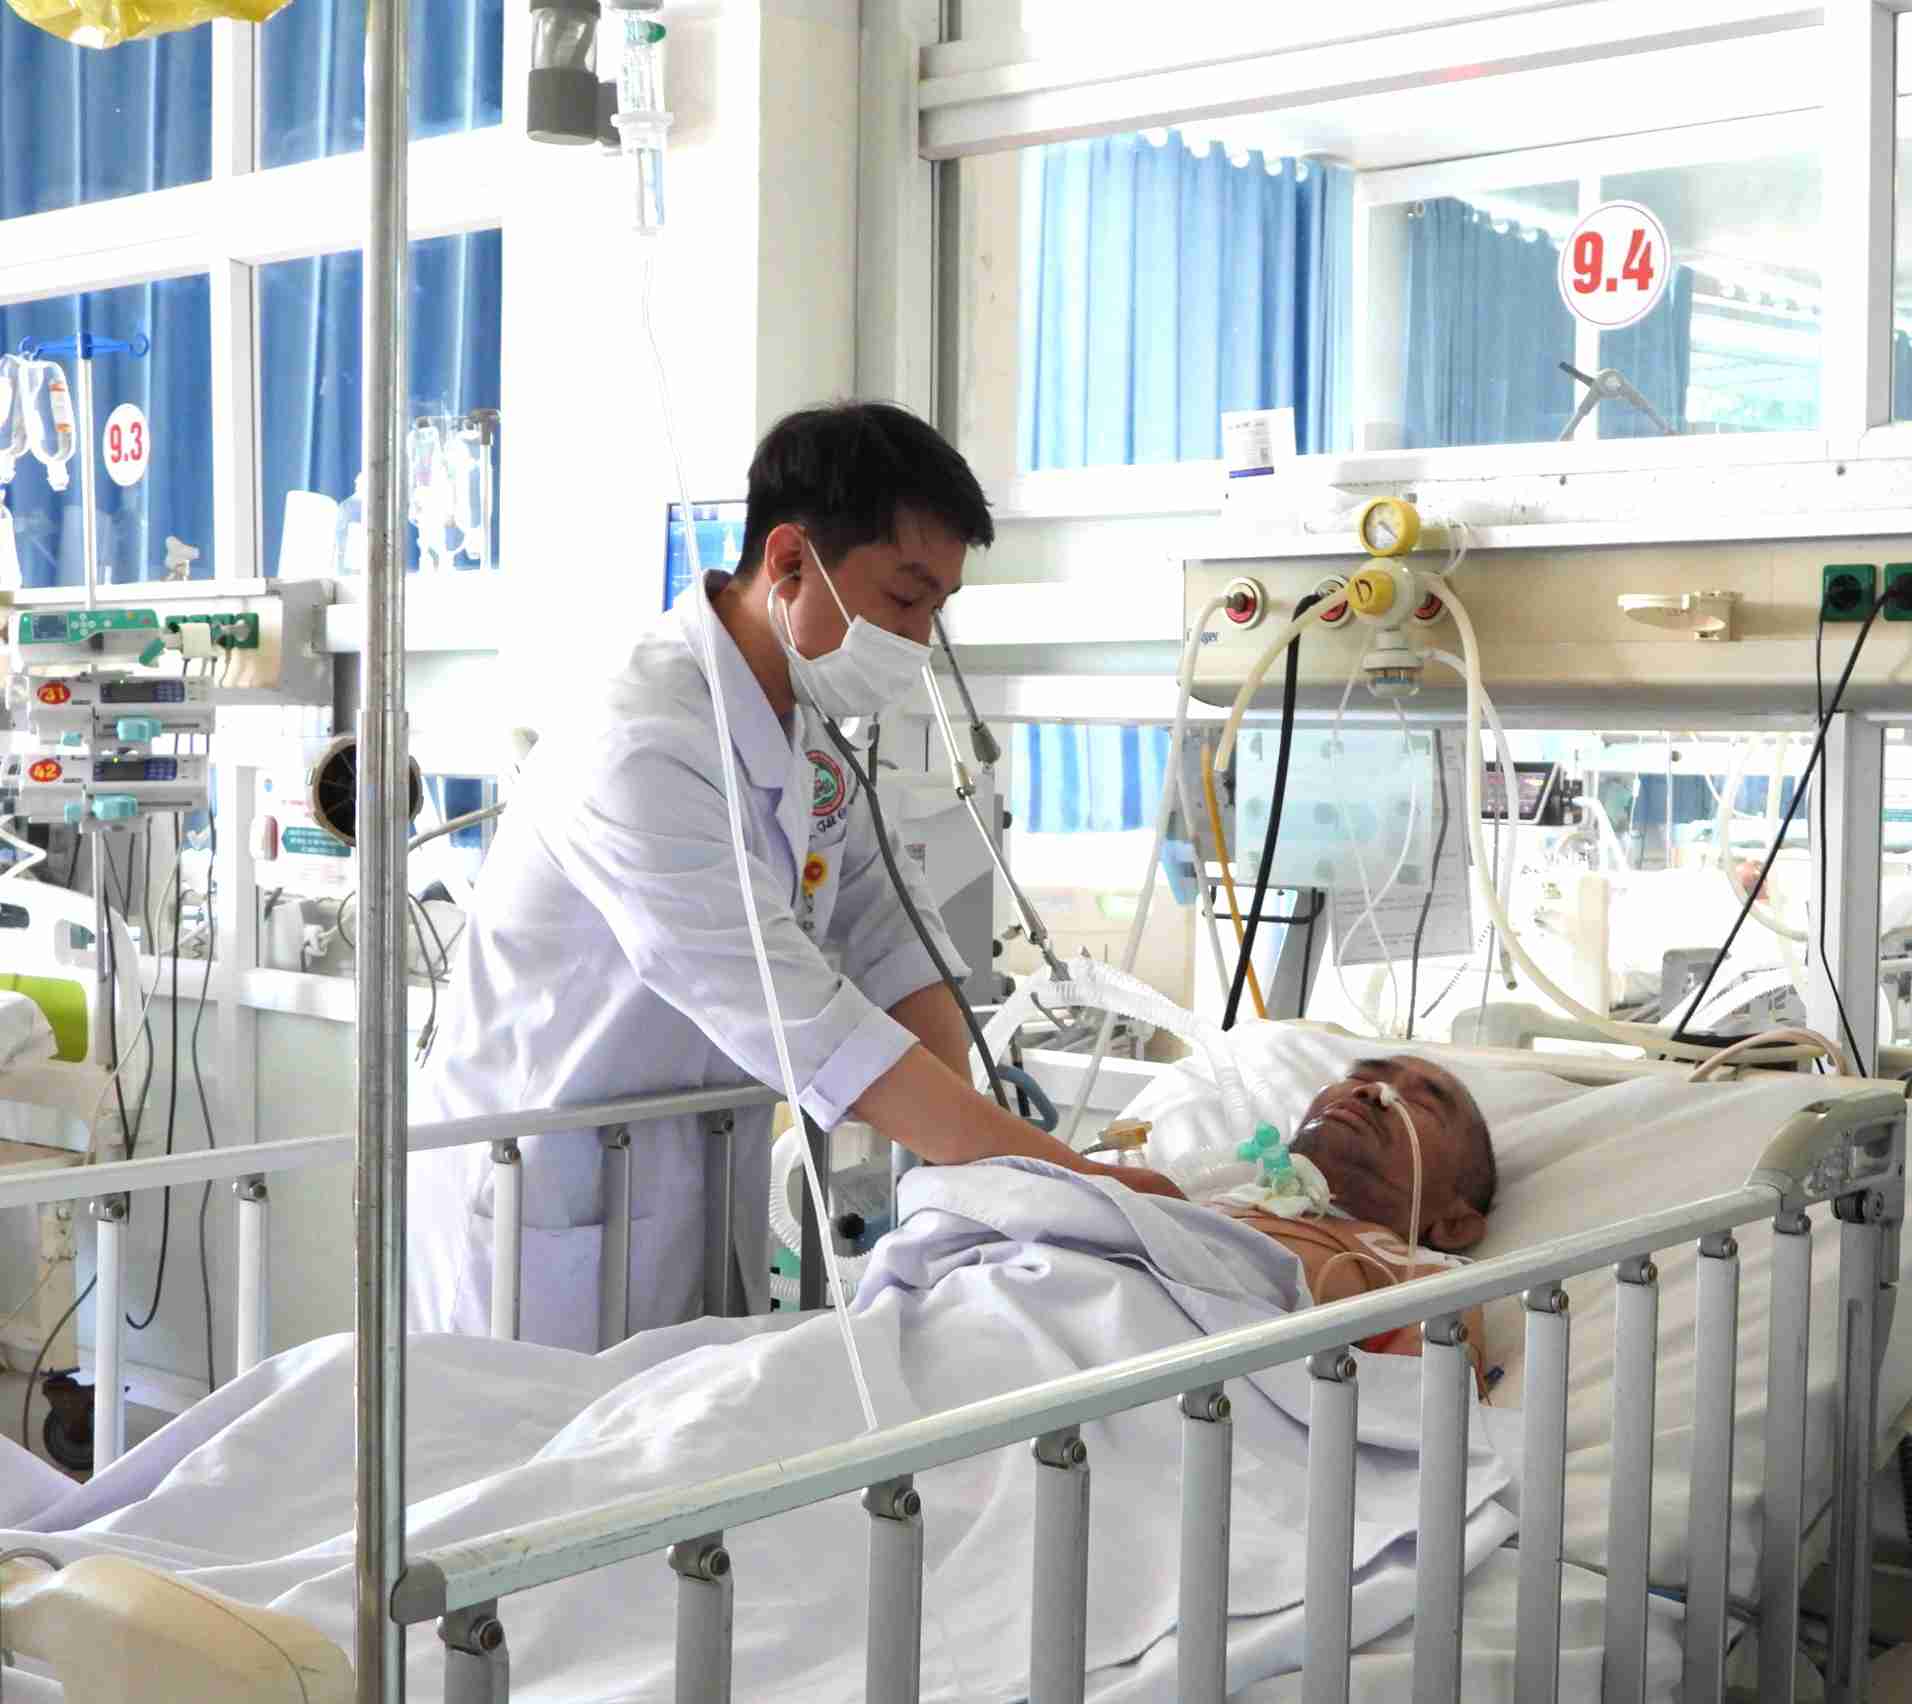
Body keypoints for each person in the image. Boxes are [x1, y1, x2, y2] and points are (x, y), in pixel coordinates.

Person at [409, 402, 1179, 1350]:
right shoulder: (641, 747)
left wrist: (997, 1158)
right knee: (528, 1474)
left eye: (937, 608)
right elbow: (807, 1021)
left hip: (681, 1177)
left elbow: (891, 945)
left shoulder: (808, 740)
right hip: (543, 1208)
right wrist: (1069, 1179)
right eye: (904, 599)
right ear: (788, 562)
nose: (919, 640)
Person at [1209, 1055, 1495, 1385]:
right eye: (1360, 1078)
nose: (1373, 1090)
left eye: (1423, 1103)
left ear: (1454, 1225)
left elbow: (1421, 1409)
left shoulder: (1429, 1277)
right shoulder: (1215, 1198)